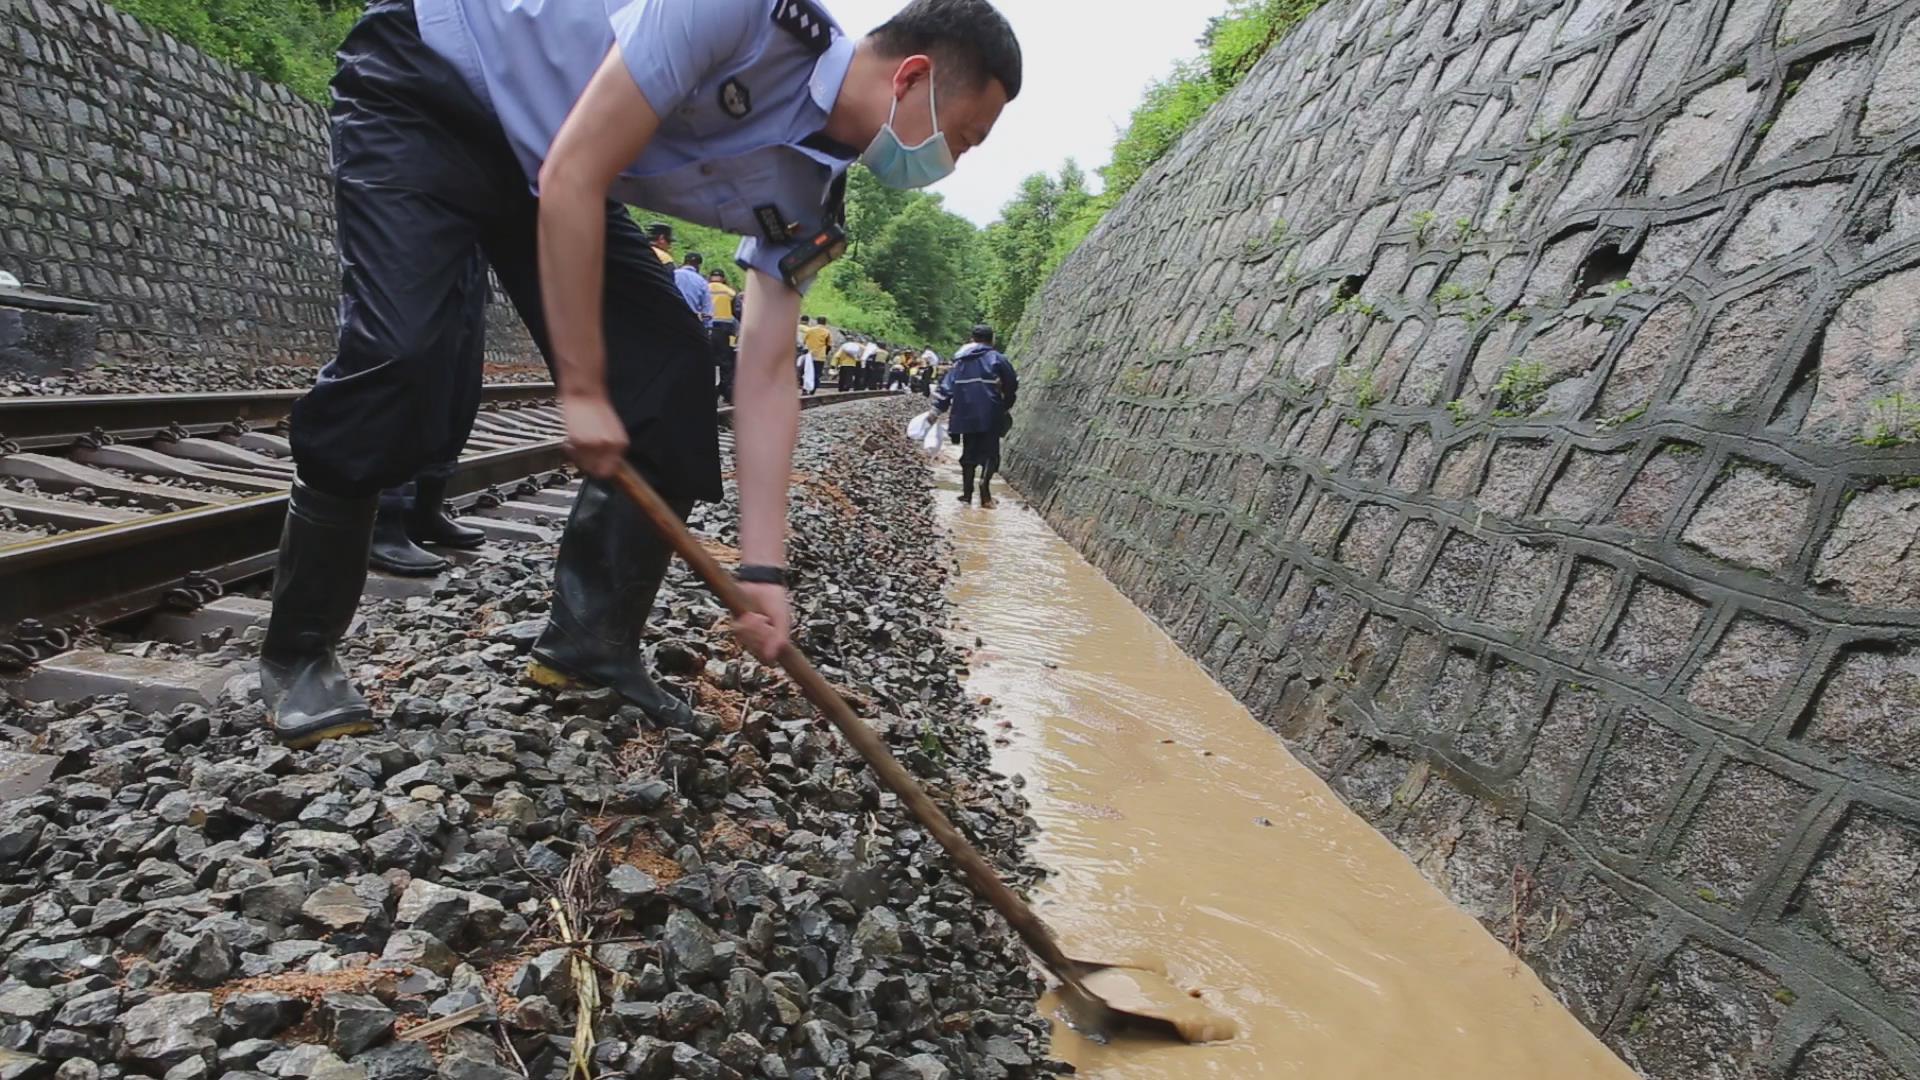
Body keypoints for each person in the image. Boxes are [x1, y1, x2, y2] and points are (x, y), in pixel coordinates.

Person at [257, 0, 1022, 748]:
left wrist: (764, 569)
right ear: (912, 77)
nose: (957, 160)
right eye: (965, 135)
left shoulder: (811, 199)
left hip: (546, 161)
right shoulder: (747, 17)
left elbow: (763, 374)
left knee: (671, 369)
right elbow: (576, 172)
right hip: (432, 87)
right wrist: (583, 391)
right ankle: (299, 651)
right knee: (402, 356)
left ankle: (590, 644)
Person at [933, 324, 1017, 508]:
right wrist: (1005, 405)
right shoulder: (998, 359)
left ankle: (966, 495)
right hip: (991, 413)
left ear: (972, 339)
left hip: (965, 415)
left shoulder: (960, 361)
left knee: (968, 454)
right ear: (992, 339)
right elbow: (1012, 383)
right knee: (991, 454)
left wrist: (936, 411)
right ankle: (985, 491)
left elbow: (946, 388)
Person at [709, 269, 739, 404]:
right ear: (723, 278)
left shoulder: (703, 287)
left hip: (705, 328)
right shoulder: (730, 292)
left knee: (705, 362)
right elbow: (737, 313)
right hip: (724, 331)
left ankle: (707, 394)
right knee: (726, 364)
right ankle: (728, 395)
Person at [674, 251, 713, 328]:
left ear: (684, 262)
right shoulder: (701, 281)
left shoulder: (673, 273)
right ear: (698, 265)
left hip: (672, 318)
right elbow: (707, 306)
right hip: (692, 321)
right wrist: (708, 326)